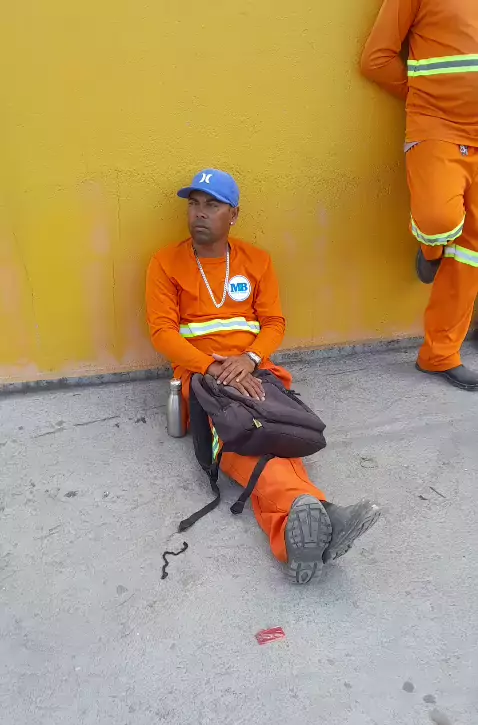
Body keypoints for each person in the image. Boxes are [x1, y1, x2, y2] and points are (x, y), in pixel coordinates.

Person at [146, 169, 381, 584]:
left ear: (233, 215)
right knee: (240, 431)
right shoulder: (166, 263)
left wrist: (251, 359)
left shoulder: (257, 261)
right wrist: (214, 367)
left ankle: (293, 535)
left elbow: (274, 322)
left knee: (276, 430)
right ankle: (322, 511)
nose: (199, 213)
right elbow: (162, 332)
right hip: (202, 377)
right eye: (194, 204)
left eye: (212, 205)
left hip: (256, 372)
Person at [361, 0, 478, 391]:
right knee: (438, 221)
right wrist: (423, 96)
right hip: (437, 128)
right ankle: (430, 251)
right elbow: (375, 60)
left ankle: (440, 355)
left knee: (471, 253)